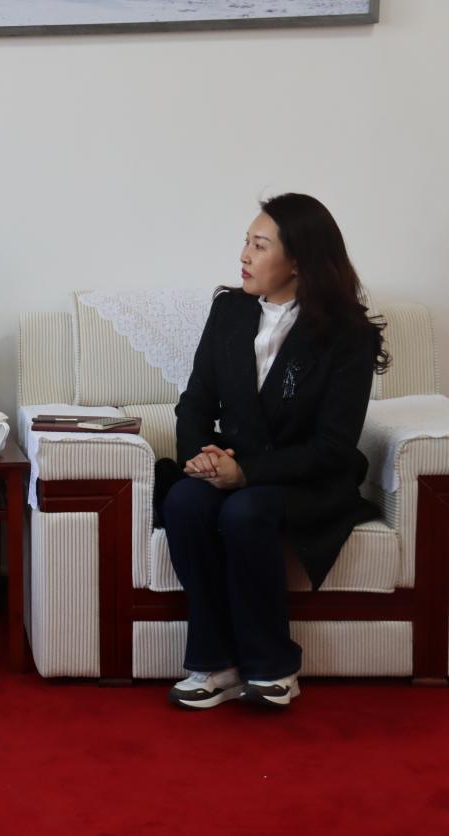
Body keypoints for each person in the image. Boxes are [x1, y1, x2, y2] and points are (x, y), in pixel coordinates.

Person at [158, 193, 388, 710]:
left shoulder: (347, 335)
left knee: (245, 511)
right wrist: (201, 457)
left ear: (299, 261)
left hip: (306, 478)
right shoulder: (230, 310)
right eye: (246, 241)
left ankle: (273, 666)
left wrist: (245, 473)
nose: (244, 255)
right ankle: (216, 663)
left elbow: (333, 446)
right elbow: (195, 403)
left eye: (259, 246)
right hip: (233, 463)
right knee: (185, 501)